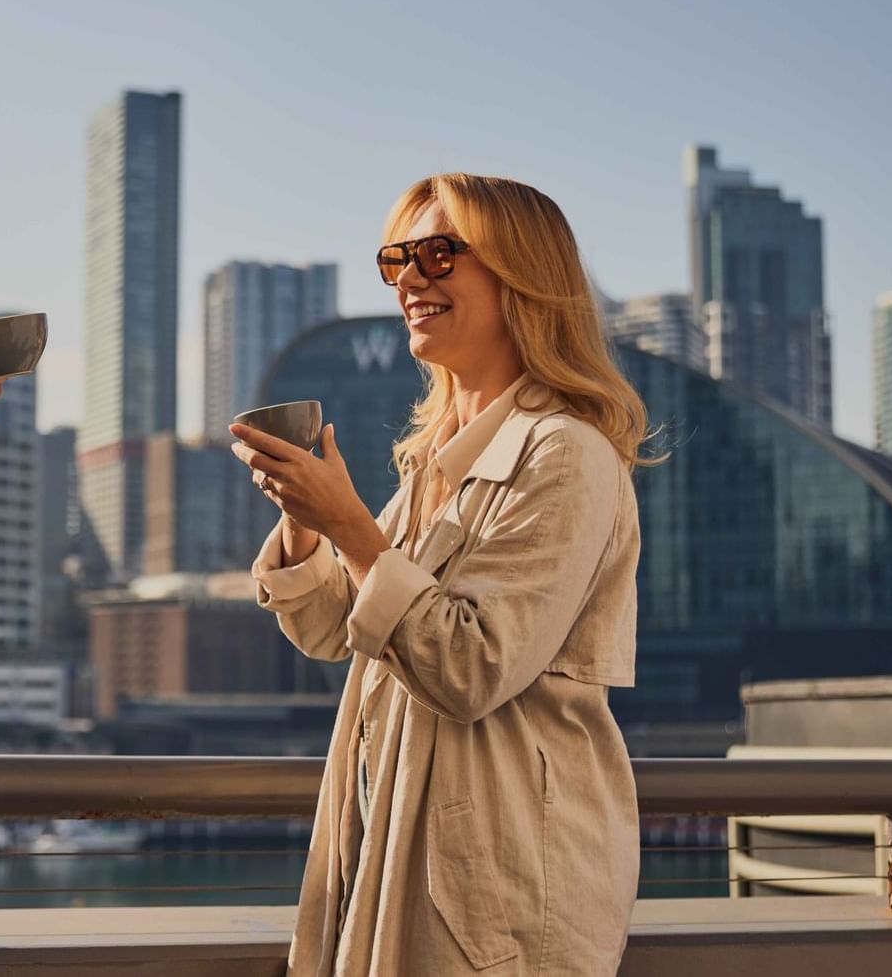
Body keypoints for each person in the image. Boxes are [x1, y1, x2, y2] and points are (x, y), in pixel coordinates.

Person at [229, 173, 650, 976]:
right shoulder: (436, 467)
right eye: (398, 259)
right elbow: (331, 627)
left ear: (522, 274)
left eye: (439, 253)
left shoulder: (565, 455)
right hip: (401, 851)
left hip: (501, 889)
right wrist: (304, 512)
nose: (411, 279)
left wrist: (349, 522)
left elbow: (471, 664)